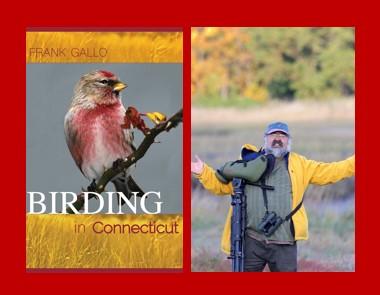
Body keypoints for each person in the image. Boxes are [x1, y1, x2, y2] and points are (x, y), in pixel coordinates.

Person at [191, 122, 355, 272]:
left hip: (284, 242)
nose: (277, 139)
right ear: (265, 139)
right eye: (273, 136)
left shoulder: (301, 164)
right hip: (251, 241)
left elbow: (332, 171)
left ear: (288, 140)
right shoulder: (249, 162)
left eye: (282, 136)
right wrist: (202, 172)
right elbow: (221, 186)